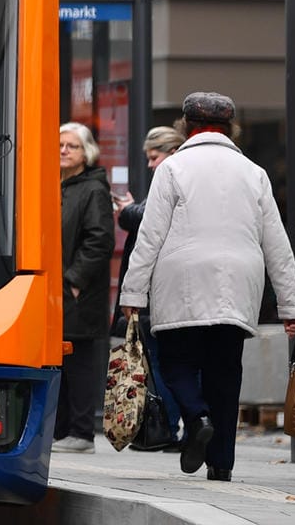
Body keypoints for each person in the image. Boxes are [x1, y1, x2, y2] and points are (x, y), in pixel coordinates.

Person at [117, 91, 295, 483]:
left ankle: (196, 415)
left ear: (186, 127)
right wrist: (291, 306)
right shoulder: (254, 172)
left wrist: (131, 294)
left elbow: (150, 236)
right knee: (225, 371)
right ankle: (222, 464)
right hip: (239, 281)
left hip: (182, 278)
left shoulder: (172, 169)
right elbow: (277, 243)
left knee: (176, 362)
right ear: (229, 129)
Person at [112, 125, 185, 451]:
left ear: (170, 153)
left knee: (159, 362)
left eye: (154, 157)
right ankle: (173, 426)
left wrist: (126, 210)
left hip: (160, 290)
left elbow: (145, 219)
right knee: (162, 361)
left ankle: (166, 427)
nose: (151, 165)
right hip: (165, 289)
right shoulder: (172, 177)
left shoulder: (172, 177)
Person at [52, 121, 113, 454]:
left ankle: (81, 433)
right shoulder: (59, 185)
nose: (63, 151)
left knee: (79, 364)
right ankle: (62, 431)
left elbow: (99, 240)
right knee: (58, 362)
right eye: (60, 145)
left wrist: (73, 282)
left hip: (78, 293)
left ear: (86, 153)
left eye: (71, 146)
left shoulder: (92, 189)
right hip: (57, 292)